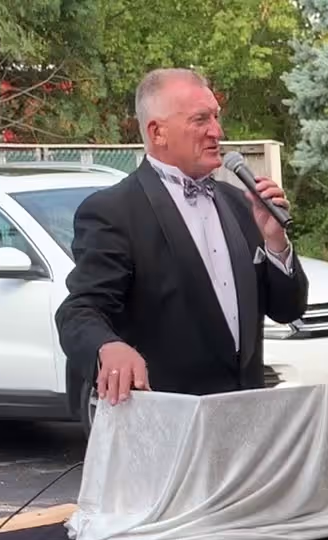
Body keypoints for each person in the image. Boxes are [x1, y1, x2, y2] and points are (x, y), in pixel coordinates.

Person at [57, 68, 310, 405]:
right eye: (200, 119)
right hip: (170, 425)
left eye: (216, 118)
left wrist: (276, 243)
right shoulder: (113, 211)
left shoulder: (240, 204)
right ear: (157, 132)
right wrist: (108, 346)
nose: (216, 132)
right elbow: (80, 310)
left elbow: (287, 309)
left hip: (247, 422)